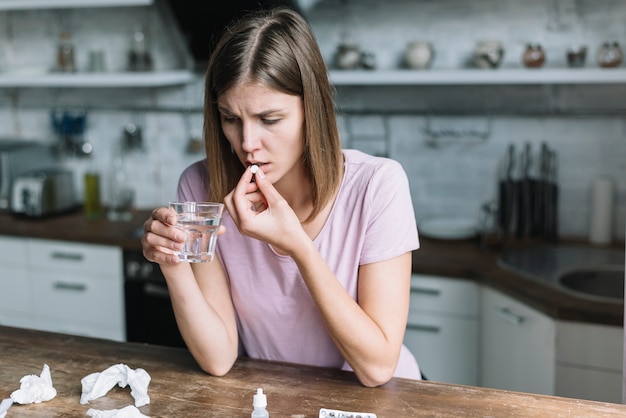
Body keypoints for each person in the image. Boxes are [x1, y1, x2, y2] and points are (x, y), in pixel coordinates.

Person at [141, 6, 421, 387]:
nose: (247, 144)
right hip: (275, 398)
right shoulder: (201, 187)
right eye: (230, 118)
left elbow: (376, 369)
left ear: (312, 109)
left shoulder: (377, 186)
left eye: (269, 120)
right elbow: (219, 358)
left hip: (375, 403)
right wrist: (173, 265)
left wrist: (300, 248)